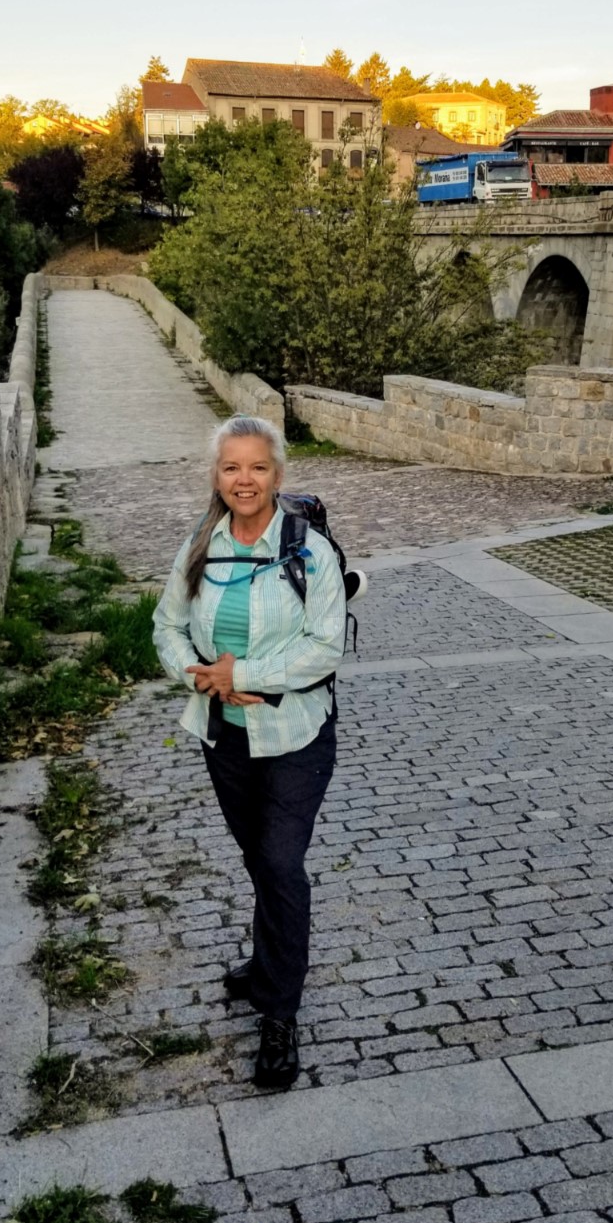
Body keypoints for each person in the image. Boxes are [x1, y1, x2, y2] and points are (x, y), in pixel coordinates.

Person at [152, 414, 347, 1090]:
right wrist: (196, 675)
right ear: (216, 475)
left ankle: (279, 1015)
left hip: (295, 734)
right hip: (225, 736)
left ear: (277, 474)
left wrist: (242, 676)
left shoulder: (310, 555)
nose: (244, 479)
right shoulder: (199, 546)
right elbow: (167, 624)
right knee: (256, 858)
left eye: (257, 467)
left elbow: (324, 649)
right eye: (231, 467)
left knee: (279, 861)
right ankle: (266, 964)